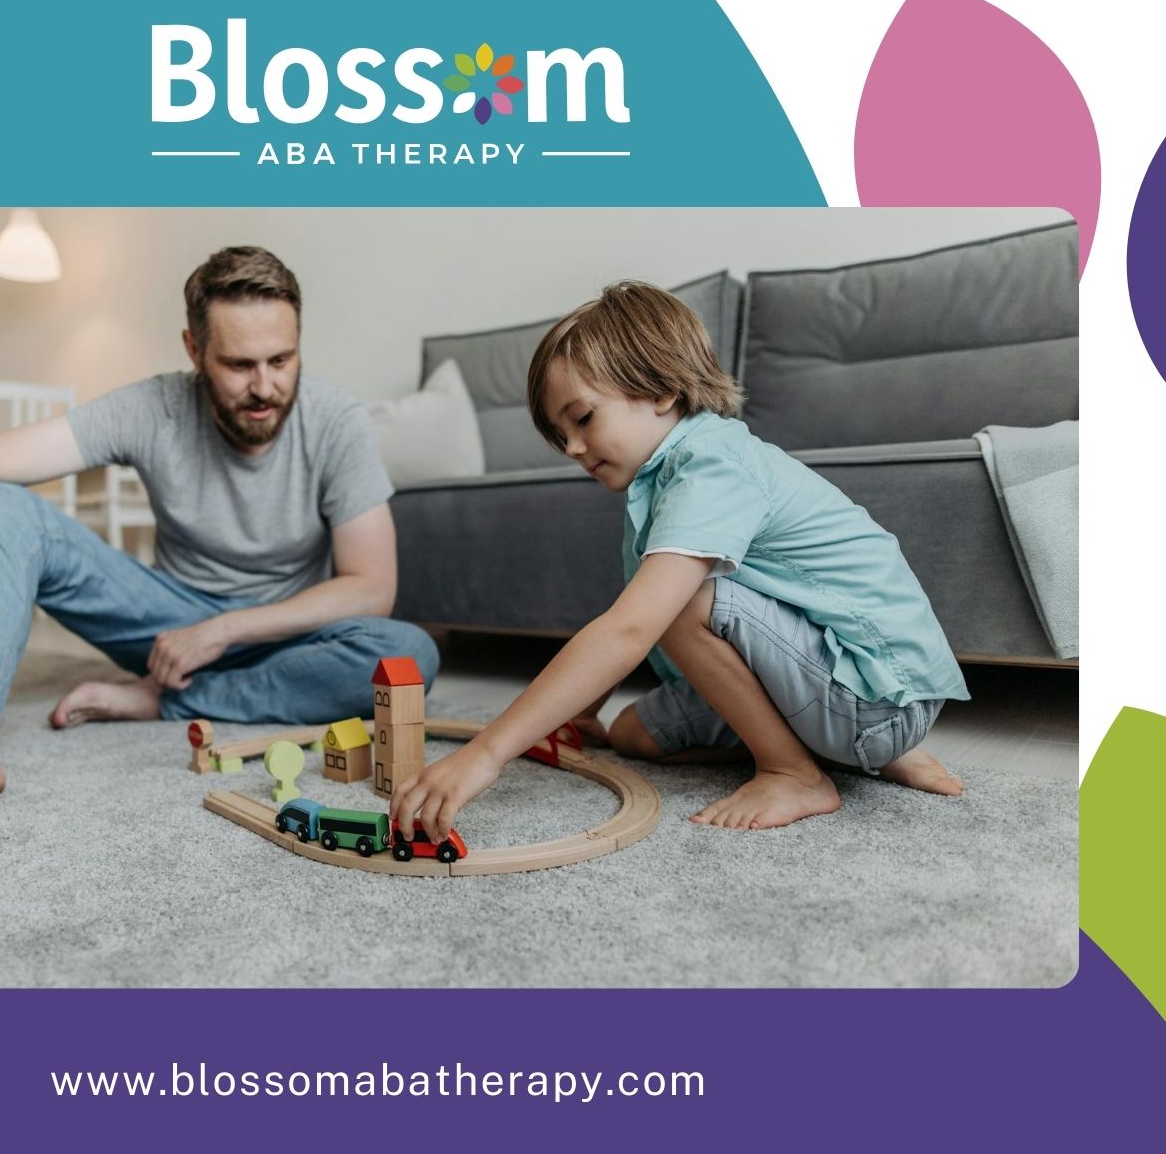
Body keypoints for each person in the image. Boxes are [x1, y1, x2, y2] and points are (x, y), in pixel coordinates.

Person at [0, 246, 437, 841]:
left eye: (282, 360)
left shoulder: (338, 421)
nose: (265, 386)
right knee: (1, 501)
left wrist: (223, 631)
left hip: (285, 636)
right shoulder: (153, 406)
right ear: (194, 350)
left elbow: (371, 587)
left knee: (408, 653)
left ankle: (161, 700)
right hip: (165, 624)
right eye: (239, 365)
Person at [390, 281, 966, 839]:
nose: (571, 448)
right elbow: (629, 615)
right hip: (841, 695)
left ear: (662, 390)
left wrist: (487, 753)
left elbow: (631, 626)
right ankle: (849, 756)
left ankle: (796, 773)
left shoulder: (712, 464)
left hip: (875, 693)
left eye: (583, 418)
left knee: (683, 599)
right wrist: (582, 714)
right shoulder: (657, 480)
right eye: (559, 433)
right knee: (633, 734)